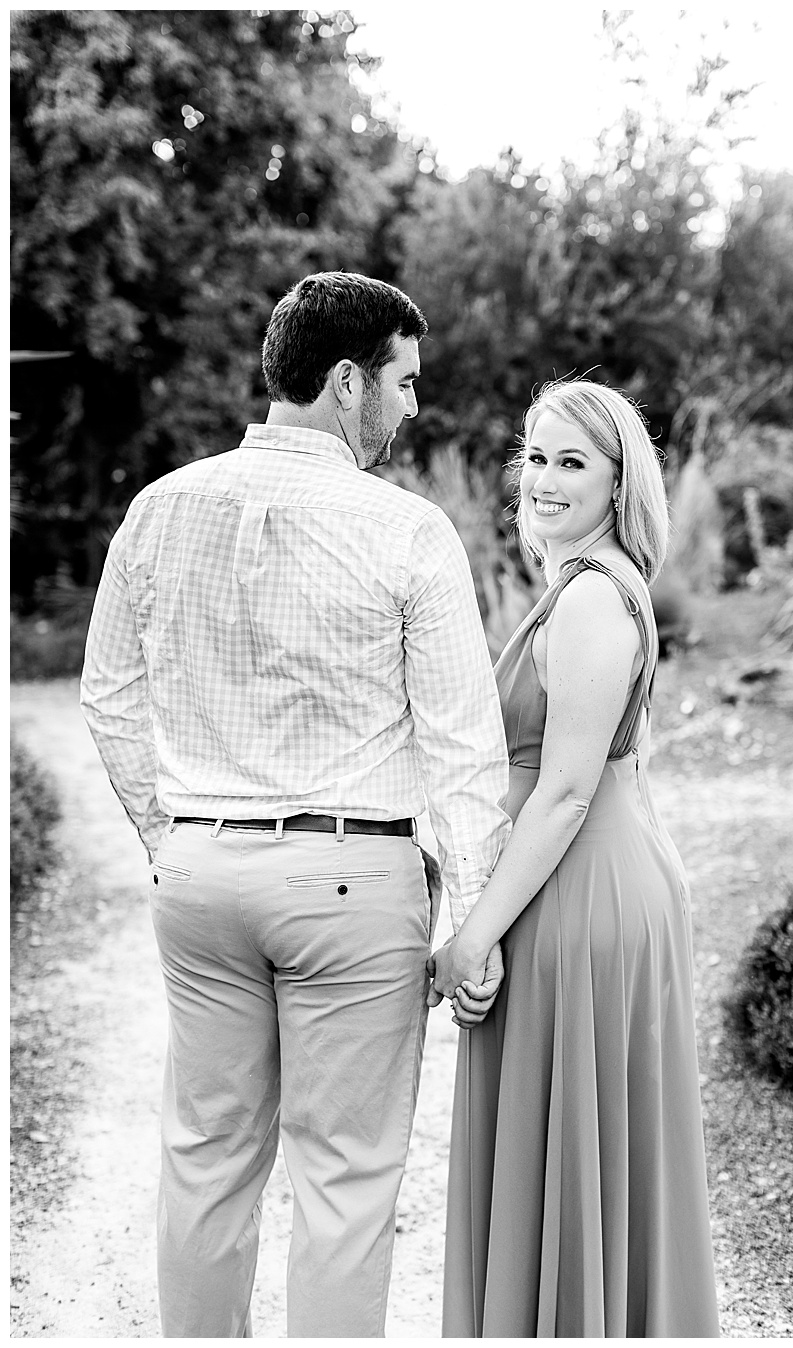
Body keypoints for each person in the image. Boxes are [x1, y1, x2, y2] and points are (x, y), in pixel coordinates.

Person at [80, 271, 512, 1337]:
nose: (414, 409)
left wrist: (166, 833)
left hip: (200, 876)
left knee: (205, 1159)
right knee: (347, 1181)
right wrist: (476, 919)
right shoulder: (408, 533)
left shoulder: (159, 507)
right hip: (350, 883)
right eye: (406, 385)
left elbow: (107, 696)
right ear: (350, 382)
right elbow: (463, 752)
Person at [434, 378, 720, 1337]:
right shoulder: (571, 589)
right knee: (564, 1155)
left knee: (576, 1153)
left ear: (615, 484)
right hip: (569, 881)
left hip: (584, 894)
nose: (544, 480)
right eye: (536, 457)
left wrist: (473, 934)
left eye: (572, 463)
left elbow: (564, 794)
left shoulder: (595, 599)